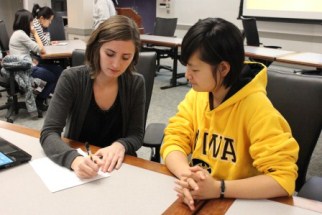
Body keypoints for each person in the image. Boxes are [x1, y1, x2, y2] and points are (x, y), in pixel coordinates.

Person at [160, 18, 299, 211]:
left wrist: (219, 188)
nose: (187, 75)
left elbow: (283, 179)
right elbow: (174, 138)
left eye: (195, 69)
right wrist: (188, 176)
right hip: (200, 197)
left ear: (224, 68)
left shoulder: (257, 109)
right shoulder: (198, 95)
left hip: (240, 203)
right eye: (187, 67)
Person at [40, 15, 145, 179]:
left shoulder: (136, 83)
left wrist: (121, 145)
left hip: (119, 167)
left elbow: (136, 135)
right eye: (110, 54)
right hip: (80, 164)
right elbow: (49, 133)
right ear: (97, 48)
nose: (116, 64)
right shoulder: (72, 78)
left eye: (126, 57)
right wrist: (73, 159)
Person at [9, 9, 59, 112]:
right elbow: (41, 49)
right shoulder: (21, 35)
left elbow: (23, 52)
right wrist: (35, 33)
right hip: (25, 69)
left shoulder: (19, 33)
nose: (32, 24)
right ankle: (39, 100)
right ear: (25, 22)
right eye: (31, 22)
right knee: (53, 77)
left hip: (27, 64)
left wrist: (32, 59)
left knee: (58, 70)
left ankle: (42, 96)